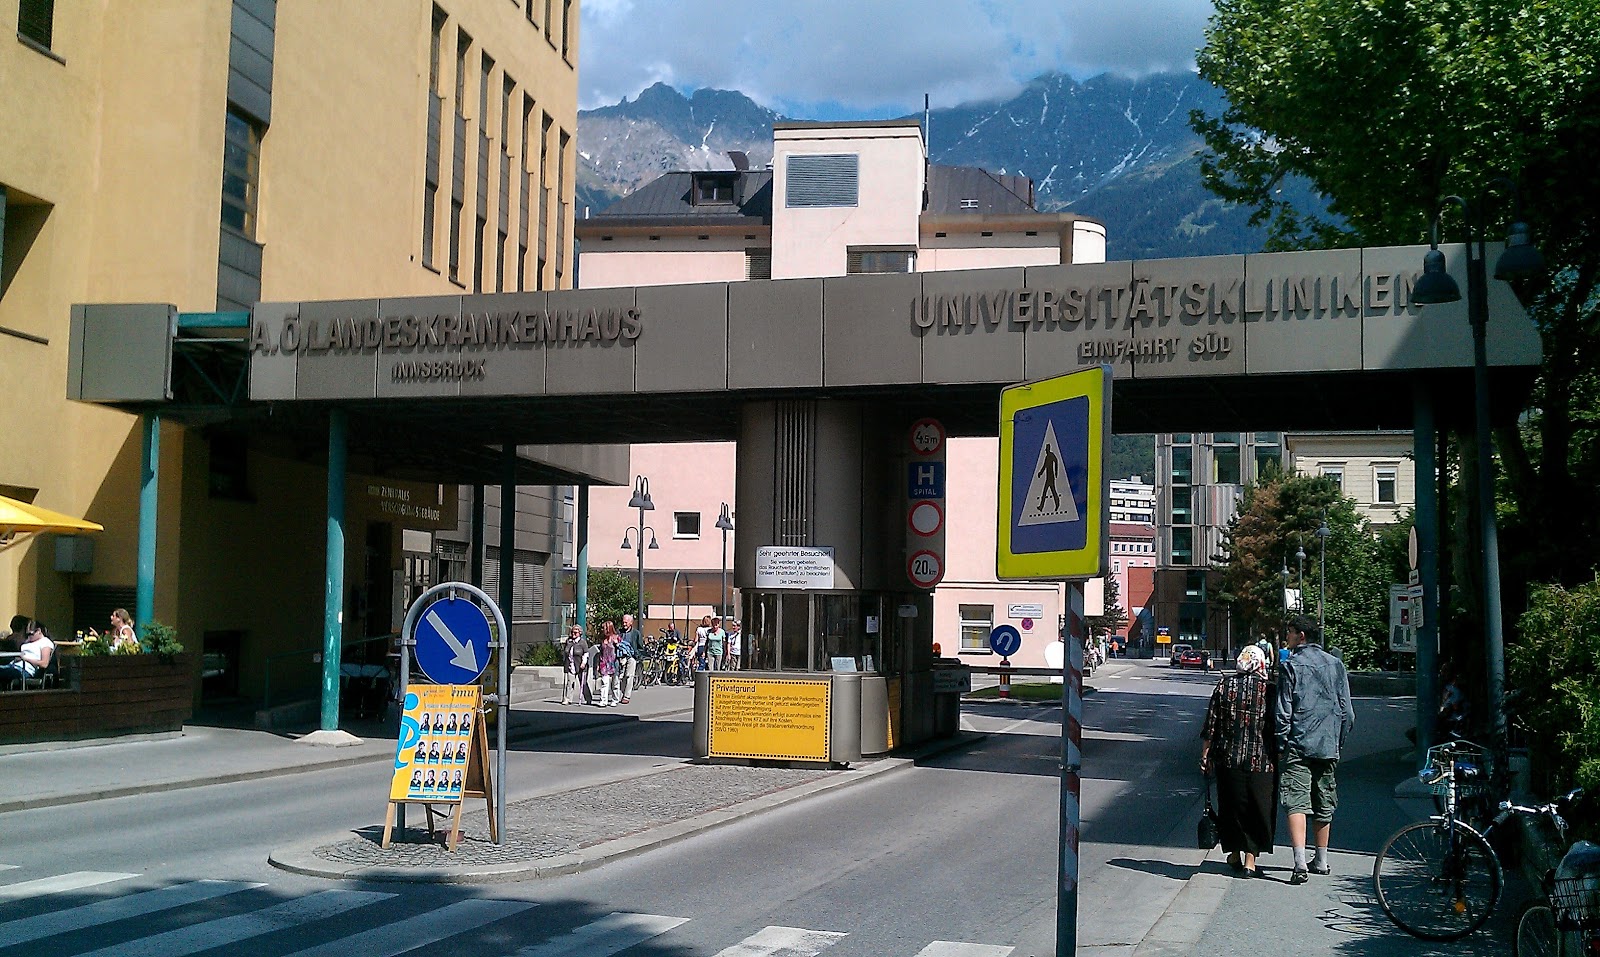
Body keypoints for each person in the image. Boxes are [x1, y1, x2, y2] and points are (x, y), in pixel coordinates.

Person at [1276, 614, 1354, 884]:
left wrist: (1281, 744)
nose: (1287, 638)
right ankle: (1321, 859)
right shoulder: (1336, 665)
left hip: (1298, 744)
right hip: (1327, 745)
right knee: (1324, 800)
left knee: (1296, 801)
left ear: (1301, 636)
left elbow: (1284, 712)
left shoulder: (1291, 666)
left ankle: (1299, 863)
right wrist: (1337, 741)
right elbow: (1347, 714)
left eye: (1289, 633)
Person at [1200, 645, 1277, 878]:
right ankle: (1250, 862)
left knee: (1231, 807)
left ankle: (1233, 853)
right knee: (1257, 809)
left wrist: (1205, 754)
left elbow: (1211, 724)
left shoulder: (1224, 686)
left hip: (1228, 758)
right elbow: (1277, 726)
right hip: (1262, 762)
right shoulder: (1269, 690)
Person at [1, 619, 53, 686]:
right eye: (27, 634)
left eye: (30, 634)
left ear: (39, 631)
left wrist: (25, 659)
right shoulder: (29, 641)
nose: (29, 637)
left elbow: (44, 664)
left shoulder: (45, 642)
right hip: (14, 665)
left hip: (24, 670)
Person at [560, 624, 589, 705]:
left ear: (580, 633)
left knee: (583, 683)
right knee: (569, 682)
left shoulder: (582, 642)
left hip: (580, 665)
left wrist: (584, 663)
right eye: (572, 632)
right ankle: (567, 698)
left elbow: (586, 653)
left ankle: (588, 698)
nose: (573, 634)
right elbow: (566, 652)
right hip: (570, 664)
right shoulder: (569, 641)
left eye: (575, 633)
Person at [617, 613, 641, 704]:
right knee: (620, 676)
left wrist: (636, 654)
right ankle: (622, 693)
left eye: (626, 622)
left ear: (631, 623)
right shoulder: (619, 632)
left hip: (631, 657)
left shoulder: (636, 633)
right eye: (623, 622)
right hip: (620, 657)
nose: (624, 624)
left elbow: (640, 647)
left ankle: (627, 696)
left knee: (629, 676)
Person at [597, 621, 619, 706]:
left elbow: (620, 649)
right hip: (604, 663)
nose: (602, 630)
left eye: (604, 628)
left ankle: (615, 699)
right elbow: (601, 652)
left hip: (614, 662)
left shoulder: (615, 638)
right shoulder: (602, 639)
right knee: (604, 682)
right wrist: (599, 664)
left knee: (615, 683)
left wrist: (617, 644)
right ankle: (603, 700)